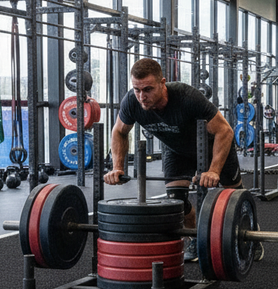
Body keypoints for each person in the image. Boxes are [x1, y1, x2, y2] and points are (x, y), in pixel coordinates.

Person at [104, 58, 245, 262]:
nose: (142, 97)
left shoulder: (187, 97)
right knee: (176, 201)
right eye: (137, 89)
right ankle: (196, 237)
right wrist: (117, 167)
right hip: (176, 150)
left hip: (212, 147)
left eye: (148, 89)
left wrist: (213, 170)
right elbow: (119, 131)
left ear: (162, 83)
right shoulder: (131, 102)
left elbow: (225, 130)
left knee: (235, 196)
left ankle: (249, 235)